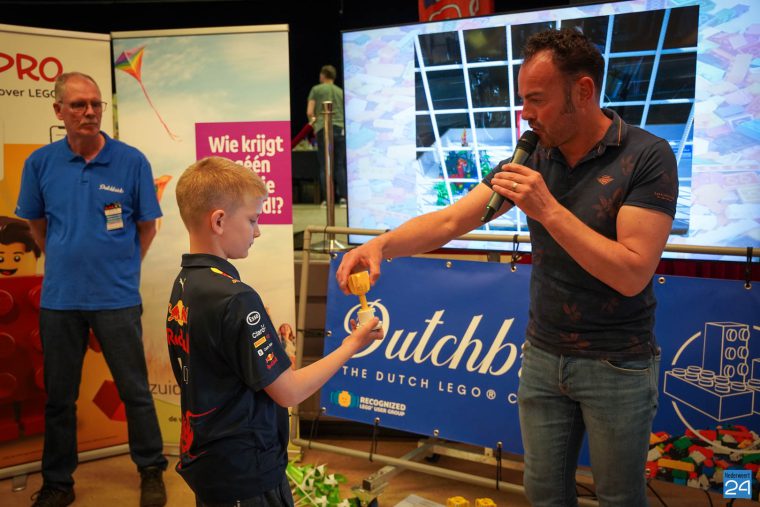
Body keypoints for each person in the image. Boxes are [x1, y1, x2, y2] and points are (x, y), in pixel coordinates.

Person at [336, 28, 678, 507]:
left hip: (617, 362)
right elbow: (452, 220)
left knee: (619, 498)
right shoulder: (534, 152)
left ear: (583, 91)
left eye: (537, 99)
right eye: (523, 100)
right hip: (543, 355)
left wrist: (548, 209)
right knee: (543, 493)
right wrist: (381, 245)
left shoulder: (647, 155)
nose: (526, 114)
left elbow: (632, 272)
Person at [168, 156, 382, 507]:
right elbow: (289, 392)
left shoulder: (185, 284)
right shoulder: (236, 298)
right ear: (218, 221)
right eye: (252, 220)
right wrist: (352, 344)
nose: (257, 231)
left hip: (208, 459)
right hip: (246, 471)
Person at [16, 72, 168, 507]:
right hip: (60, 300)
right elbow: (36, 225)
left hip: (116, 299)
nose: (89, 112)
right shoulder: (40, 163)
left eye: (96, 104)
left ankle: (151, 470)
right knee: (59, 399)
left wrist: (124, 269)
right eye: (79, 105)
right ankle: (58, 483)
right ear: (59, 111)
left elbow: (147, 226)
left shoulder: (131, 161)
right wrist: (64, 258)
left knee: (134, 391)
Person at [306, 64, 347, 207]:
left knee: (325, 165)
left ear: (323, 75)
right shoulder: (341, 91)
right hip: (340, 129)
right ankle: (343, 198)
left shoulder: (316, 90)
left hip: (323, 128)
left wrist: (314, 125)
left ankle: (328, 199)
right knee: (339, 164)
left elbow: (310, 111)